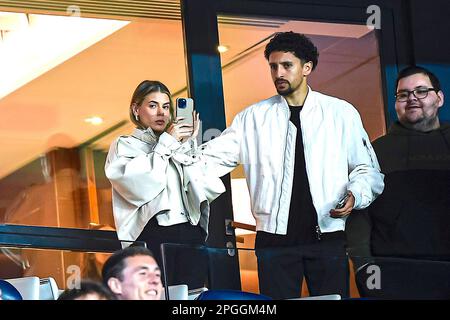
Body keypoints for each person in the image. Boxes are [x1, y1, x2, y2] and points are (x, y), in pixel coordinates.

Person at [198, 32, 384, 299]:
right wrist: (174, 149)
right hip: (273, 241)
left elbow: (367, 169)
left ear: (307, 68)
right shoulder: (252, 118)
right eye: (273, 67)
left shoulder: (340, 113)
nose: (278, 73)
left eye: (287, 65)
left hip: (328, 237)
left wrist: (356, 195)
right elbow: (210, 160)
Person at [105, 80, 224, 289]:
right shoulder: (125, 144)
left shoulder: (177, 144)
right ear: (136, 109)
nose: (161, 112)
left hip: (190, 234)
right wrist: (167, 143)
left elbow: (205, 188)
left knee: (192, 299)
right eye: (153, 105)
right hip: (153, 235)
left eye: (166, 106)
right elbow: (139, 187)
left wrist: (187, 146)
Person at [360, 66, 450, 299]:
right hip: (394, 276)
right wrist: (365, 269)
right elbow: (359, 219)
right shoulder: (375, 152)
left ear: (439, 98)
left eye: (421, 91)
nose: (412, 99)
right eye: (403, 94)